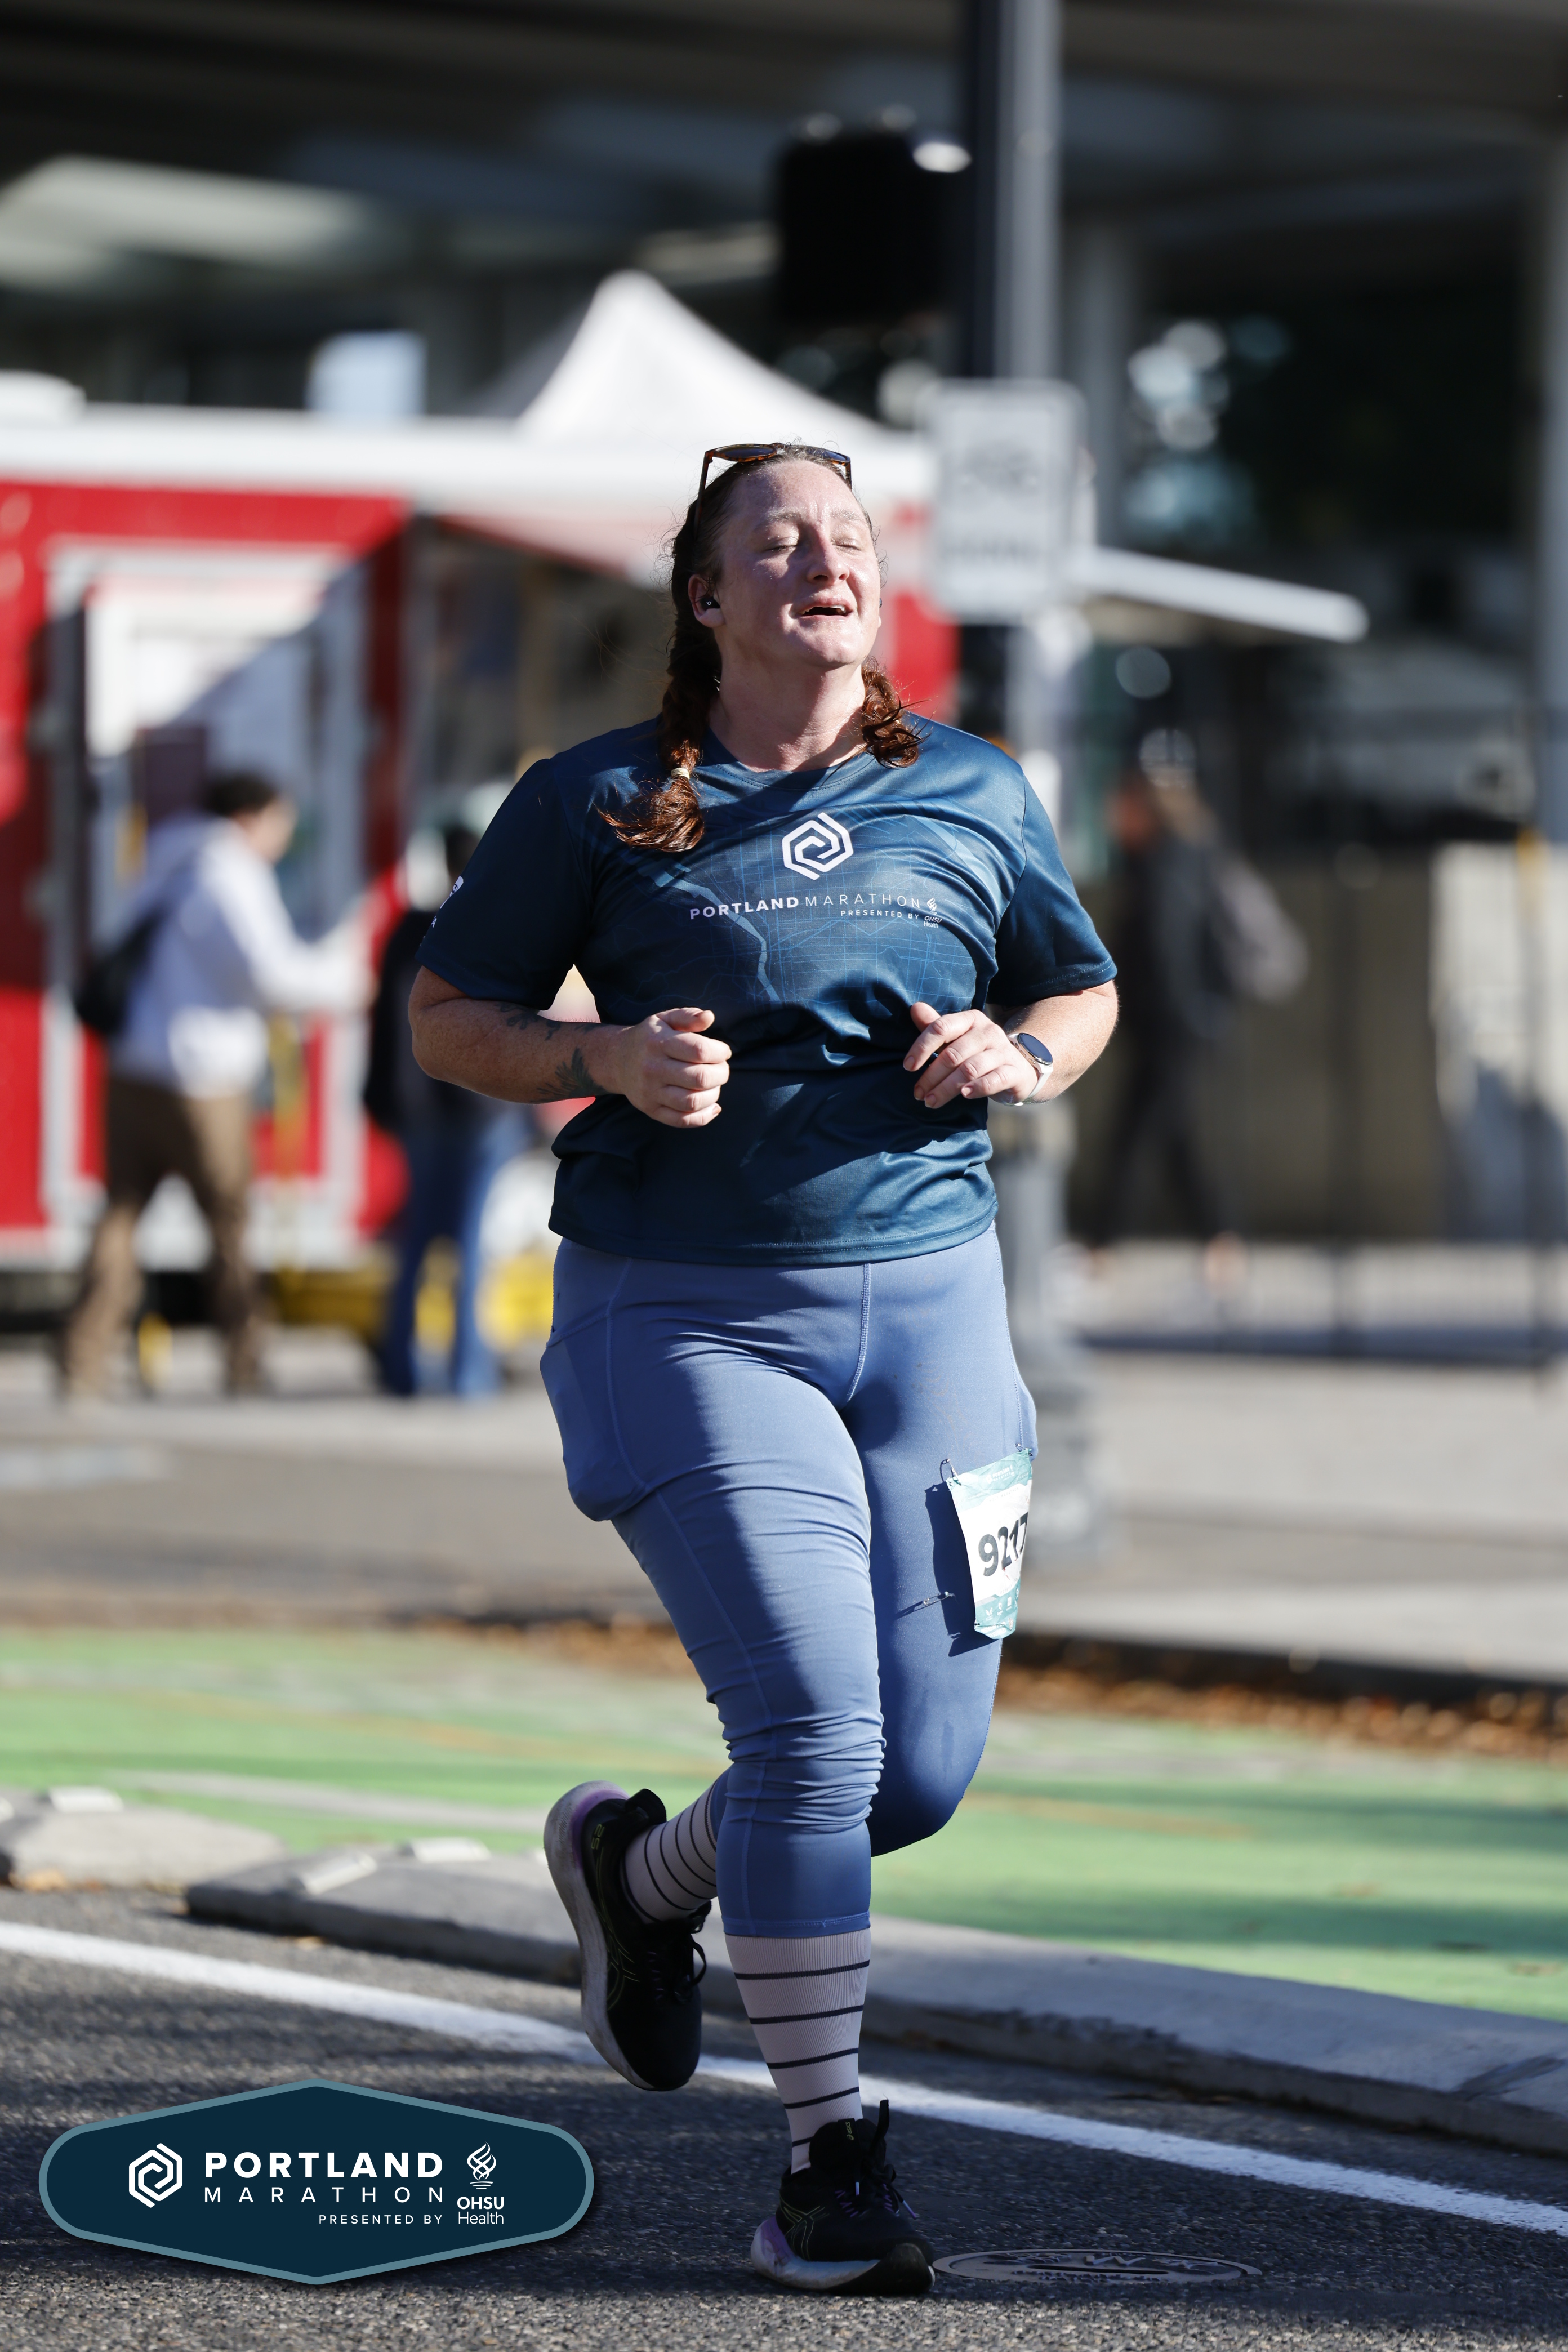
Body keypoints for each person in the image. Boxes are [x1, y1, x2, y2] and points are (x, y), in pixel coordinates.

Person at [408, 442, 1117, 2296]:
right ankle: (828, 2161)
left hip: (938, 1320)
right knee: (812, 1732)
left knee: (913, 1777)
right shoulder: (595, 799)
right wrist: (602, 1058)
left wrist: (1026, 1053)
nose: (825, 559)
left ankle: (641, 1888)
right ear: (707, 595)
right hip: (688, 1315)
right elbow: (449, 1018)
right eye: (778, 538)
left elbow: (1081, 984)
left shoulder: (971, 784)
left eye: (850, 535)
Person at [61, 770, 366, 1397]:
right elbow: (271, 974)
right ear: (251, 817)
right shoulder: (231, 872)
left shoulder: (163, 855)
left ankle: (82, 1357)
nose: (282, 840)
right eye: (280, 824)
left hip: (132, 1067)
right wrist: (348, 983)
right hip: (204, 1079)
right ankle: (244, 1360)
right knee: (229, 1223)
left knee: (120, 1214)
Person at [364, 822, 528, 1397]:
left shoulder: (409, 929)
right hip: (484, 1103)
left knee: (416, 1238)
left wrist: (381, 1096)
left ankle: (401, 1367)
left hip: (419, 1104)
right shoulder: (499, 924)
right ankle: (467, 1375)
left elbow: (384, 1024)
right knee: (470, 1238)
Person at [1088, 737, 1239, 1271]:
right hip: (1184, 1022)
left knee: (1138, 1135)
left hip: (1170, 1025)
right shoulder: (1190, 849)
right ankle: (1218, 1242)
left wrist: (1164, 1018)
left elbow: (1167, 945)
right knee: (1172, 1137)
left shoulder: (1163, 862)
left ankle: (1102, 1247)